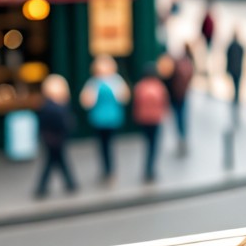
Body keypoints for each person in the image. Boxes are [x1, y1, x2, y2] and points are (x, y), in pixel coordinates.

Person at [80, 55, 129, 183]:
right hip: (98, 119)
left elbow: (124, 97)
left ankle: (110, 170)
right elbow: (86, 101)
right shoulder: (93, 82)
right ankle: (106, 170)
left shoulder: (116, 80)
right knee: (102, 146)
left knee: (109, 145)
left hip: (112, 118)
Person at [34, 74, 78, 198]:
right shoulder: (52, 108)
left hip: (54, 139)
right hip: (55, 140)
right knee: (55, 162)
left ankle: (67, 184)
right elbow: (61, 123)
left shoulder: (51, 105)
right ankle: (68, 184)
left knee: (56, 162)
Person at [132, 64, 170, 183]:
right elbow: (164, 103)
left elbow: (136, 104)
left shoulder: (139, 86)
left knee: (147, 144)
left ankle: (147, 168)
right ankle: (151, 169)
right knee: (154, 146)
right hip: (156, 119)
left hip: (144, 119)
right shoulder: (159, 86)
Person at [159, 44, 194, 155]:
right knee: (181, 117)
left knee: (178, 117)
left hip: (175, 96)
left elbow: (165, 80)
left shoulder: (169, 65)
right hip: (181, 95)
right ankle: (182, 138)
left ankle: (181, 138)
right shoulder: (184, 63)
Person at [225, 30, 245, 123]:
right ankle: (236, 99)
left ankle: (235, 99)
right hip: (238, 70)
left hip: (234, 69)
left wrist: (227, 68)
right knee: (236, 86)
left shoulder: (232, 46)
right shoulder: (239, 46)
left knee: (235, 86)